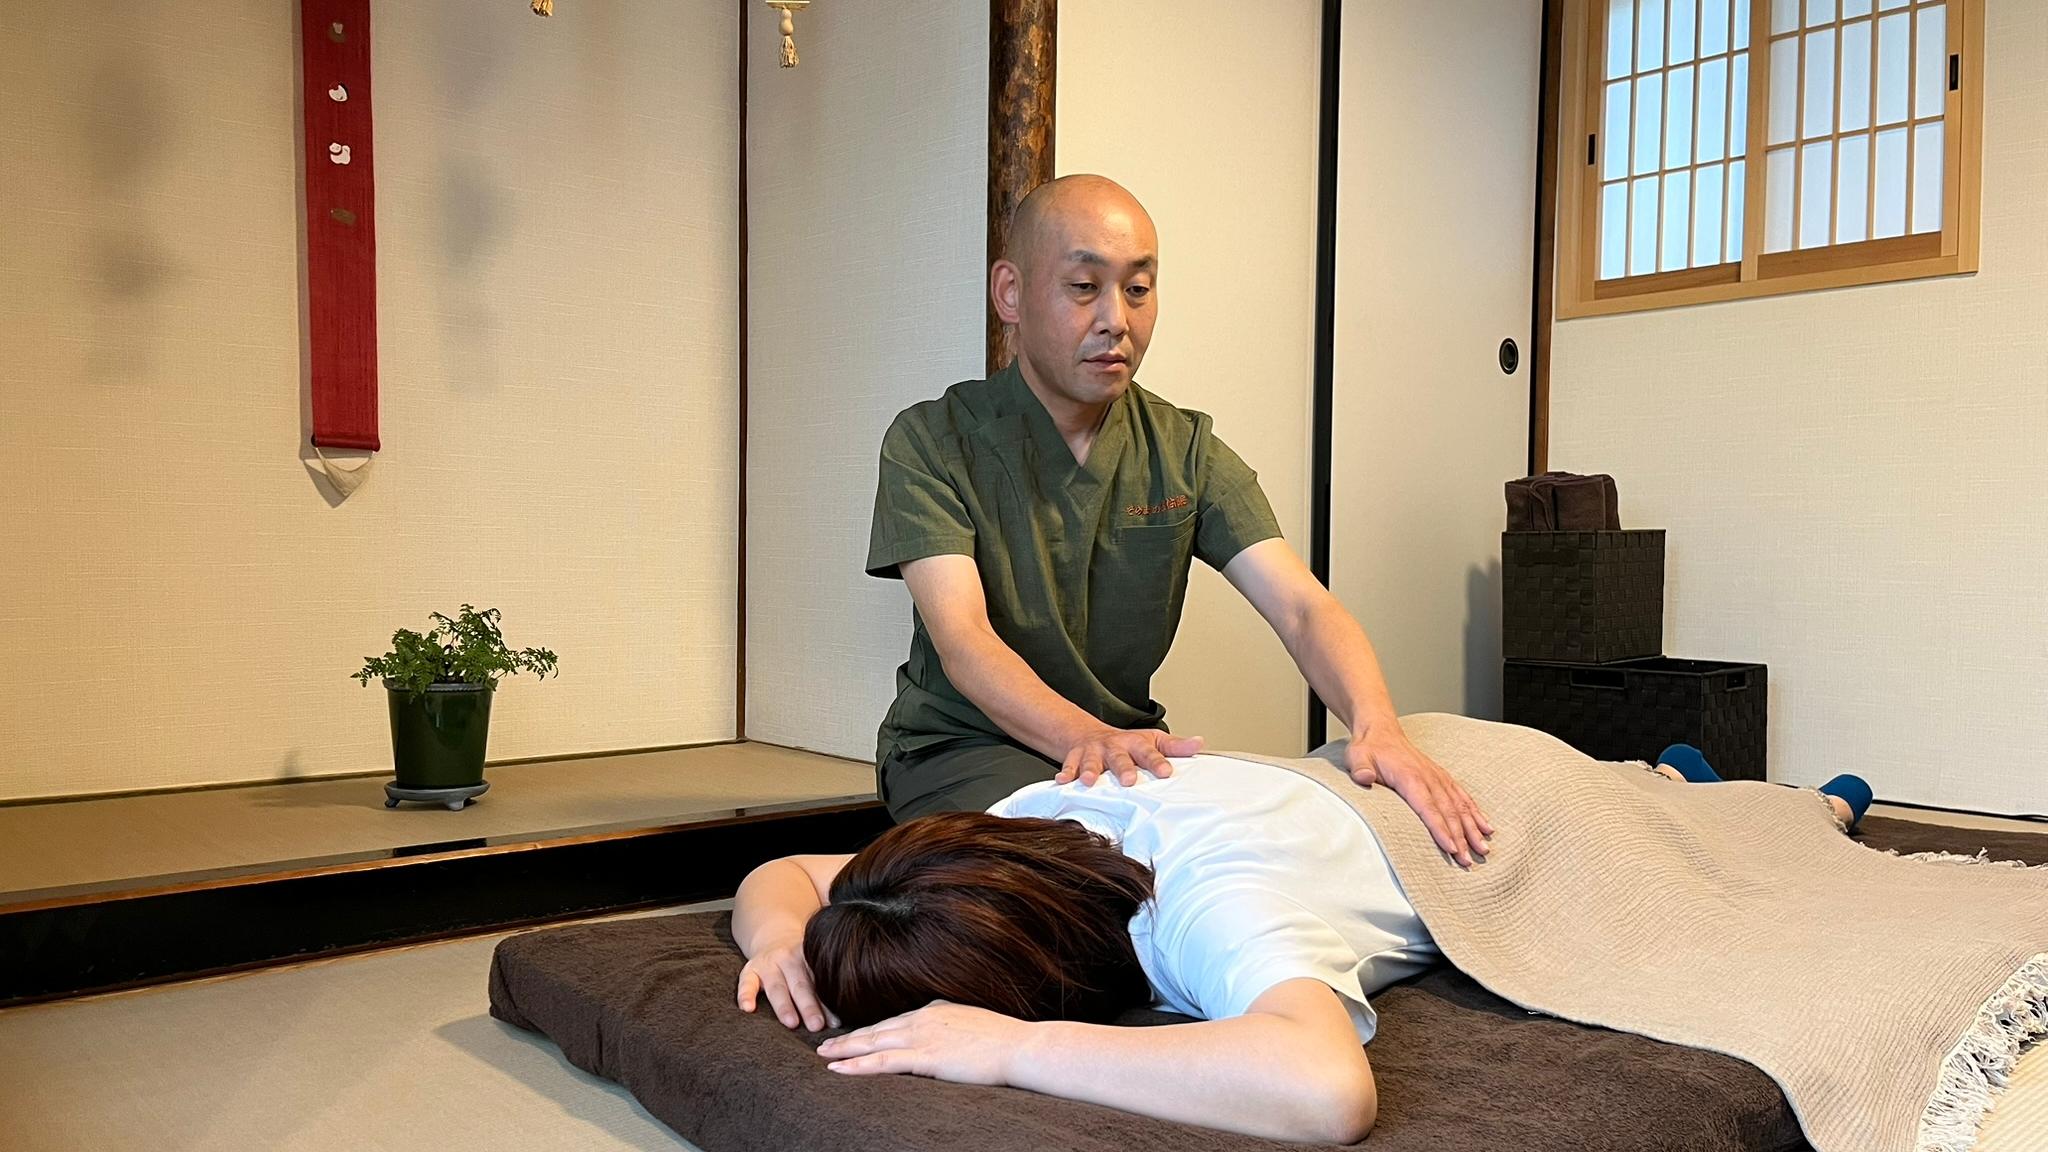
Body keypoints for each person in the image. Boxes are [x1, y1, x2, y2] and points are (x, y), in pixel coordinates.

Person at [731, 741, 1875, 1144]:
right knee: (1642, 791)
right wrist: (786, 936)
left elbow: (1323, 1090)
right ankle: (1668, 774)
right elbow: (783, 874)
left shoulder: (1209, 909)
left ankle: (1787, 801)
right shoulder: (1021, 830)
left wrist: (1007, 1049)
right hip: (1376, 765)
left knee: (1703, 844)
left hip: (1487, 807)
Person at [865, 174, 1490, 868]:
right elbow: (965, 642)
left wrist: (1379, 728)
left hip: (1124, 750)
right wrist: (1090, 740)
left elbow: (1303, 607)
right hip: (966, 748)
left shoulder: (1183, 448)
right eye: (1083, 288)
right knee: (1090, 871)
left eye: (1137, 290)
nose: (1117, 320)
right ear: (1011, 293)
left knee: (1269, 844)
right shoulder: (932, 440)